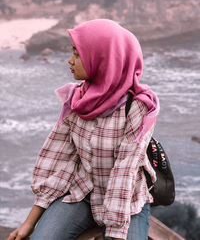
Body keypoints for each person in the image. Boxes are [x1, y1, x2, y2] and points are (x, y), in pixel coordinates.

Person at [8, 19, 159, 240]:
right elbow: (59, 161)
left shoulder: (138, 106)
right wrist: (29, 223)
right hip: (83, 193)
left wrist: (115, 232)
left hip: (127, 203)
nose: (70, 61)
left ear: (103, 59)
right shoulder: (76, 99)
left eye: (78, 55)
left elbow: (124, 173)